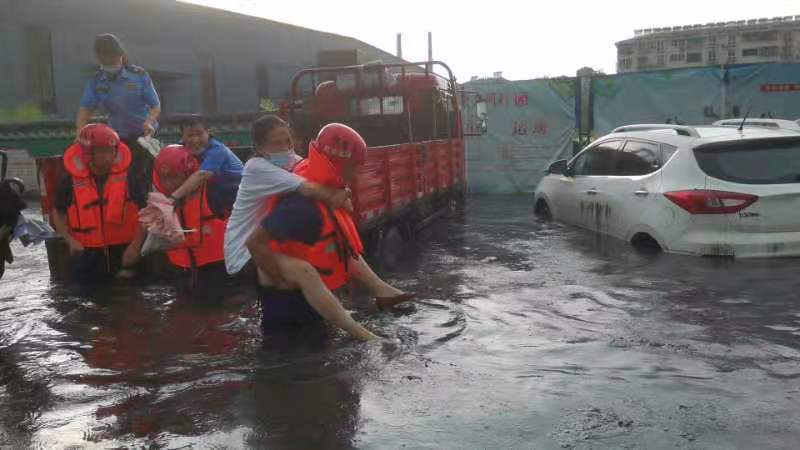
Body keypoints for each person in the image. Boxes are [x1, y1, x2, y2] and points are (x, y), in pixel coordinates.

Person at [246, 123, 411, 342]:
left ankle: (382, 291)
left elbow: (341, 246)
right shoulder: (301, 204)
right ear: (338, 165)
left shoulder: (320, 188)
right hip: (291, 326)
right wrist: (281, 282)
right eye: (355, 166)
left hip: (313, 308)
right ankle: (366, 336)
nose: (358, 173)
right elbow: (255, 243)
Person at [52, 124, 146, 282]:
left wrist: (136, 247)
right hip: (86, 254)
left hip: (125, 251)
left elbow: (146, 212)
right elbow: (59, 211)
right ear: (88, 153)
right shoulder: (69, 180)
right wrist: (70, 240)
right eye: (102, 151)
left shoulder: (130, 176)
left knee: (130, 299)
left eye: (112, 150)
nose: (109, 156)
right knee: (87, 300)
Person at [76, 33, 160, 183]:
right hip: (115, 139)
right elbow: (85, 109)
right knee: (116, 178)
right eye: (104, 58)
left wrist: (149, 122)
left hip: (142, 136)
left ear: (120, 55)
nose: (109, 62)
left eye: (112, 58)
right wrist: (80, 133)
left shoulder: (139, 76)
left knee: (138, 179)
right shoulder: (97, 81)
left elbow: (155, 106)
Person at [151, 145, 227, 275]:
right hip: (180, 268)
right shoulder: (157, 197)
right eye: (164, 178)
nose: (168, 184)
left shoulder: (213, 191)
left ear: (188, 173)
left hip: (219, 266)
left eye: (174, 177)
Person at [167, 115, 243, 219]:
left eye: (199, 134)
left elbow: (202, 175)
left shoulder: (217, 150)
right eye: (189, 135)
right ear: (183, 136)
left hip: (232, 192)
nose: (195, 140)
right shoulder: (179, 149)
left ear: (208, 133)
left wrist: (172, 198)